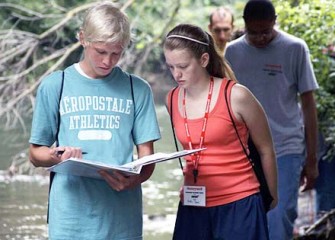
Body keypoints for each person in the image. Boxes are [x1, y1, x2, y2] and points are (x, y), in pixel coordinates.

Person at [28, 2, 161, 239]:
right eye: (101, 51)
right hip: (69, 220)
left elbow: (147, 158)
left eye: (116, 53)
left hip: (122, 219)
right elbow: (36, 153)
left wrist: (136, 179)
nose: (108, 61)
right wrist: (56, 155)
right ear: (82, 38)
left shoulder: (137, 89)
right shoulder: (54, 85)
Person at [164, 23, 277, 240]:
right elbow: (194, 152)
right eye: (171, 67)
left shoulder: (236, 95)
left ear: (204, 60)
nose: (176, 74)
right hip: (193, 205)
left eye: (183, 66)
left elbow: (266, 149)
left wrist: (271, 197)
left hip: (240, 203)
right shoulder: (172, 99)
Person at [225, 1, 319, 239]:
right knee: (245, 217)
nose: (260, 38)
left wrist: (312, 159)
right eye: (253, 32)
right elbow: (225, 103)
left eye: (265, 31)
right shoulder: (233, 52)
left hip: (285, 147)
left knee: (280, 217)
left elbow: (308, 104)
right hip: (244, 150)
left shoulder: (295, 48)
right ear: (244, 25)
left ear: (275, 21)